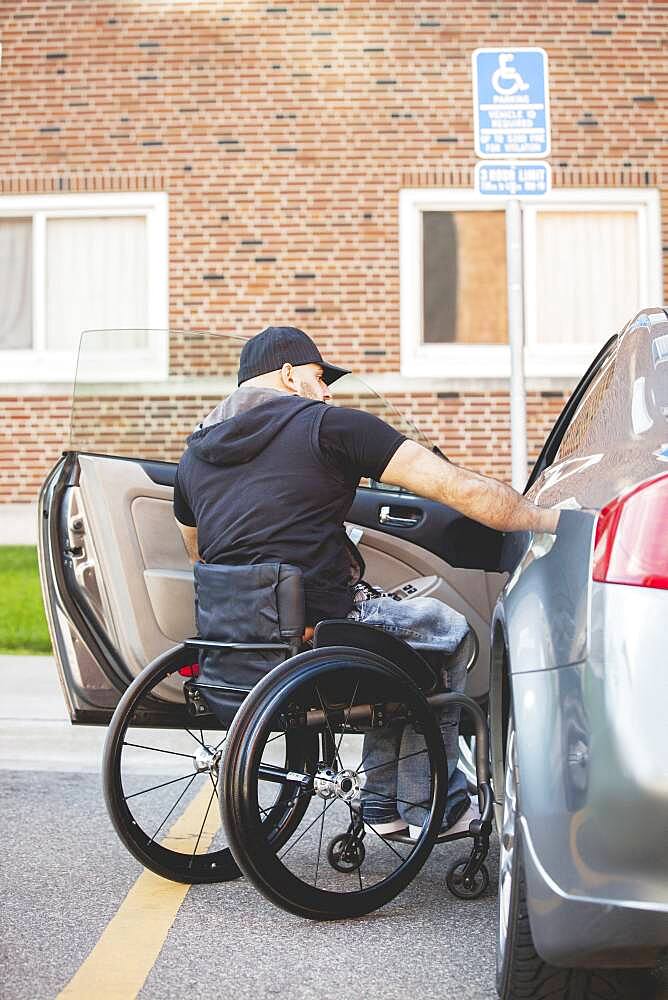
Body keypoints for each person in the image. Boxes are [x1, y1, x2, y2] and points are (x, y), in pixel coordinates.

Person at [173, 325, 559, 839]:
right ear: (289, 376)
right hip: (322, 630)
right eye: (319, 376)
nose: (328, 390)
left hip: (238, 638)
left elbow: (197, 550)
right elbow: (457, 488)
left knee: (394, 646)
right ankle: (440, 805)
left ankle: (382, 804)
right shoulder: (332, 428)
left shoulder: (195, 453)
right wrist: (553, 519)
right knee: (448, 633)